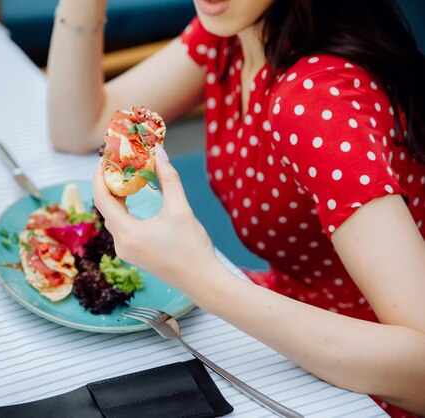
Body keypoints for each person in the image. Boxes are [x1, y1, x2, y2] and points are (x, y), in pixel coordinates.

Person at [46, 1, 425, 416]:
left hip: (366, 378)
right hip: (288, 318)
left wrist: (200, 278)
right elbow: (79, 127)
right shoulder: (232, 34)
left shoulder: (315, 101)